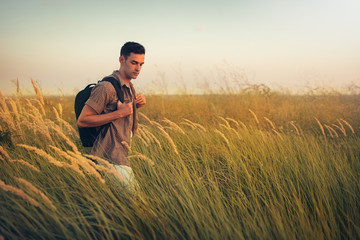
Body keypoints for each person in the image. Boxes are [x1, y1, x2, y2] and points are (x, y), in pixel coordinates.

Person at [77, 42, 146, 187]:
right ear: (122, 60)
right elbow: (83, 120)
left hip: (122, 156)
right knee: (138, 205)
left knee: (120, 207)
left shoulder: (130, 87)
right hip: (110, 158)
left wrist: (135, 107)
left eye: (141, 64)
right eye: (134, 63)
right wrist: (119, 113)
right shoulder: (105, 87)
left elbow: (119, 117)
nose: (138, 68)